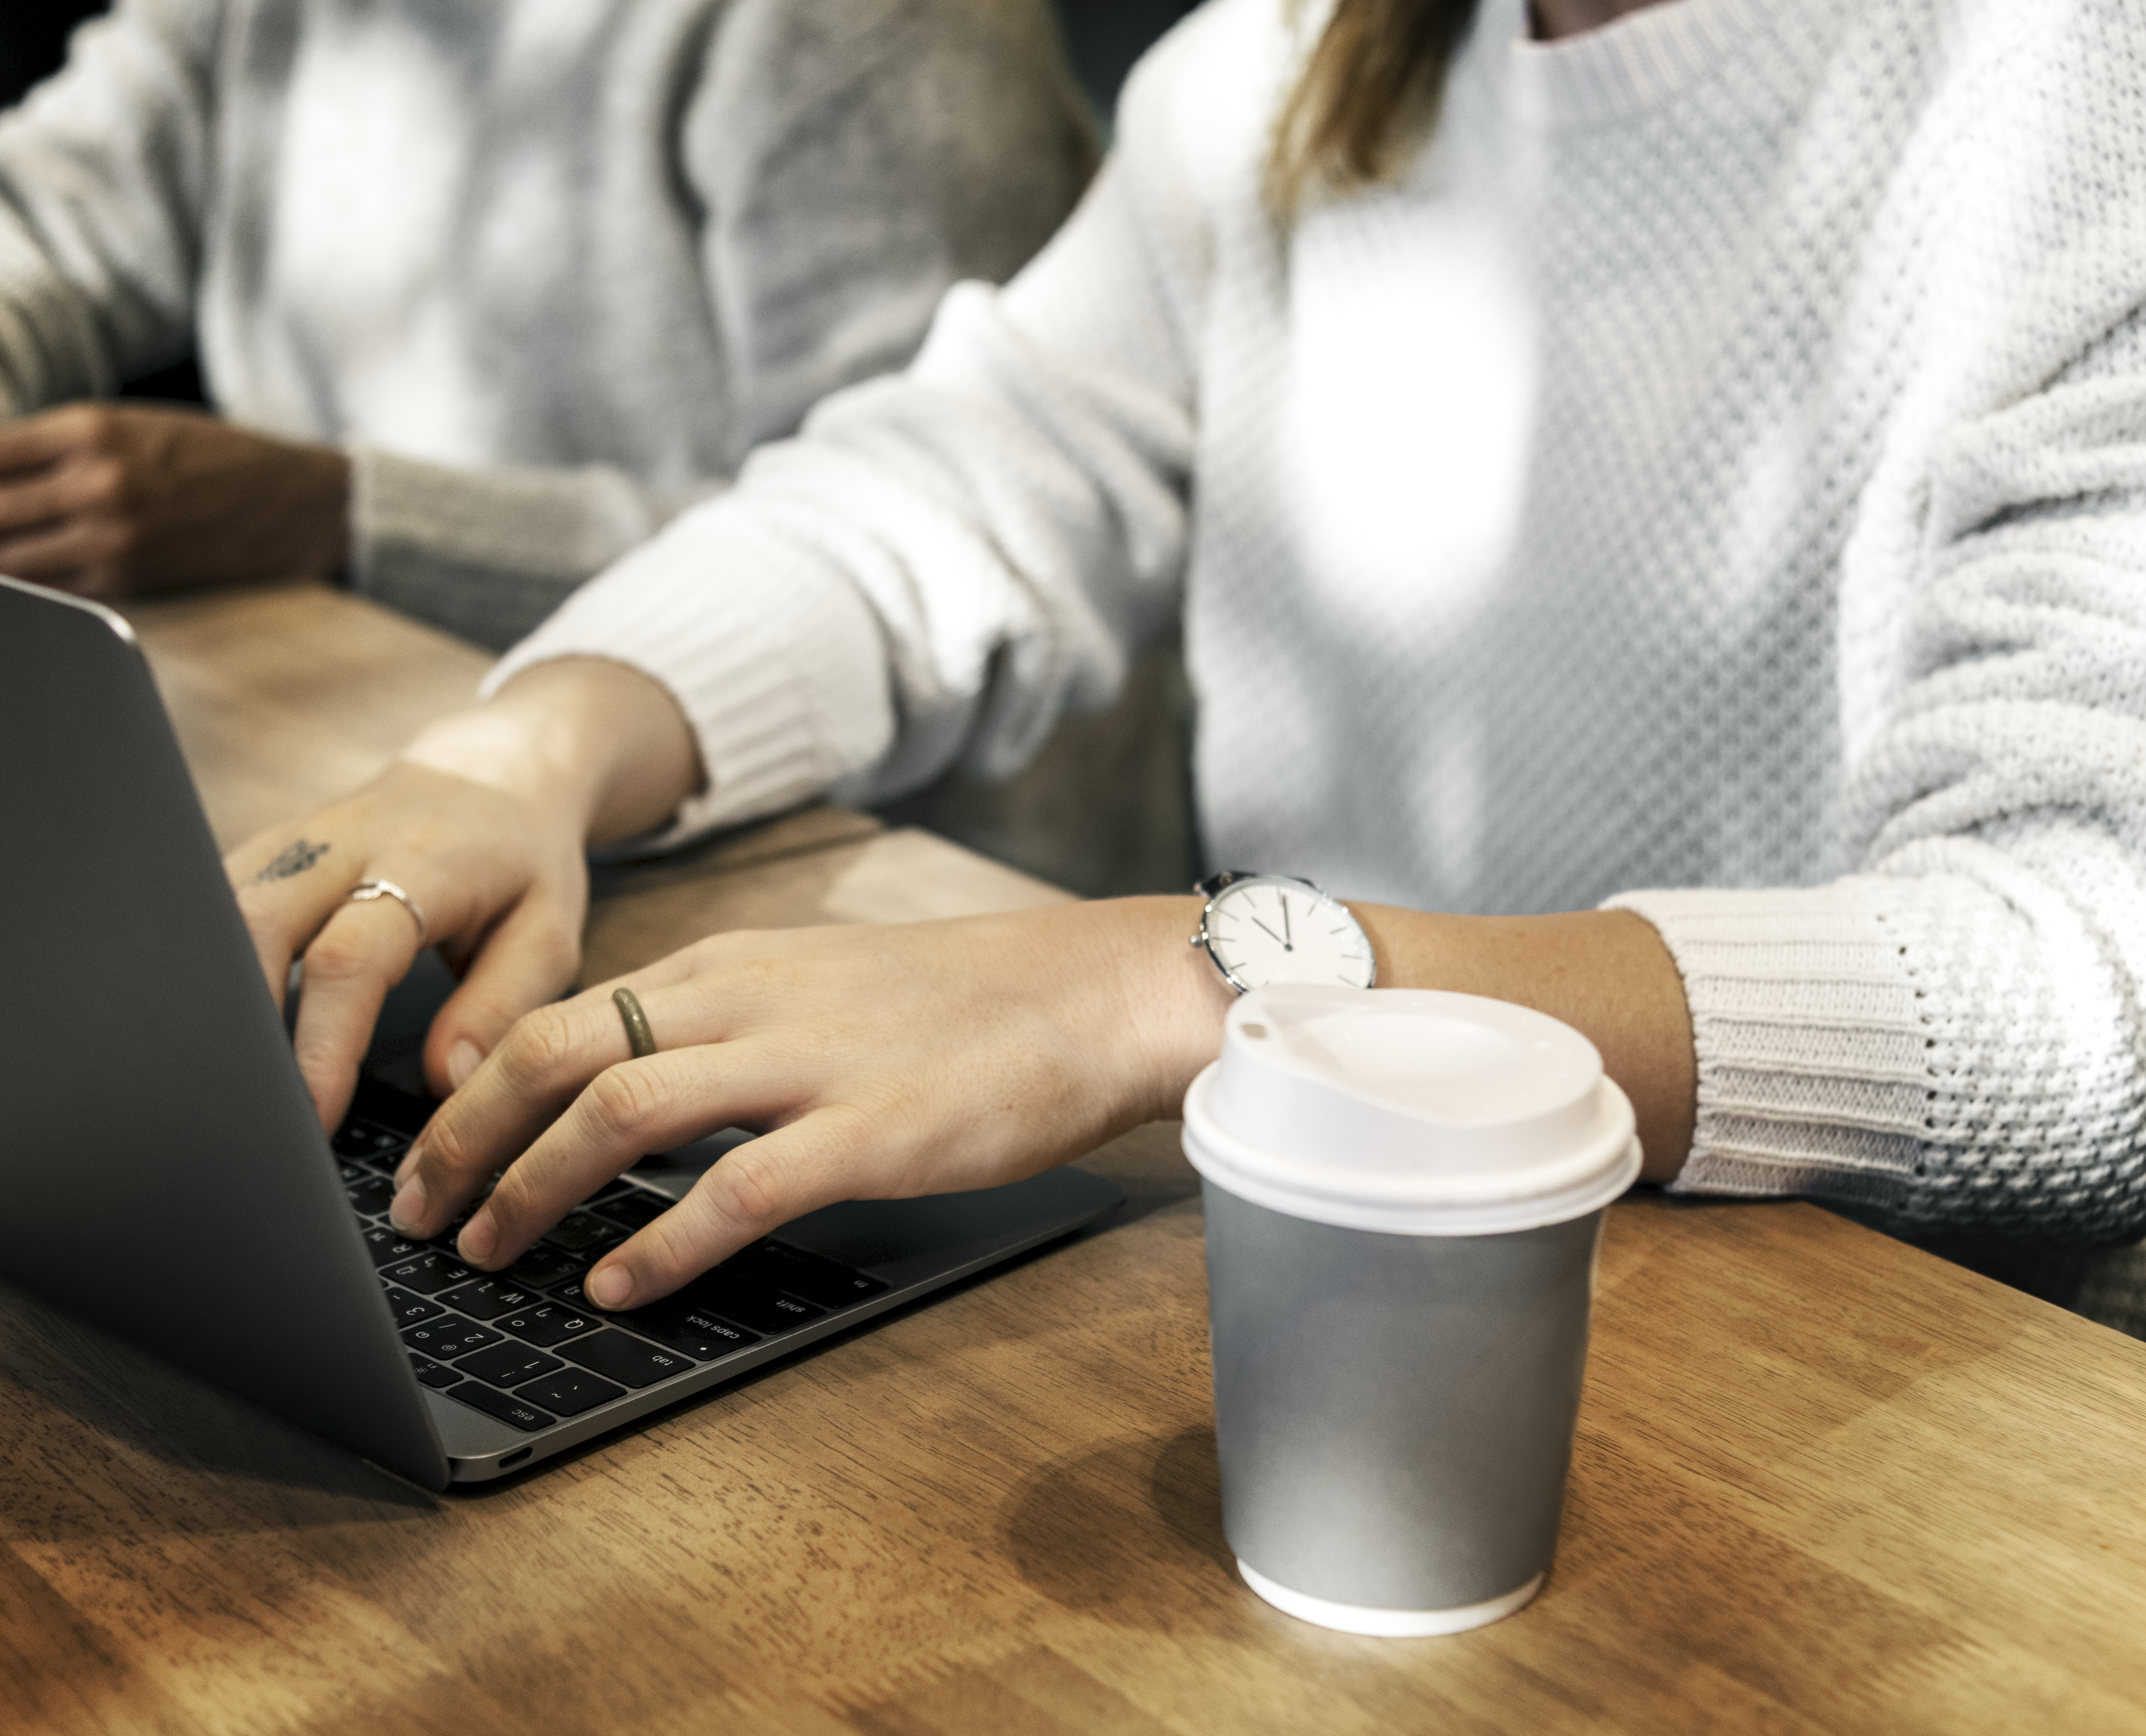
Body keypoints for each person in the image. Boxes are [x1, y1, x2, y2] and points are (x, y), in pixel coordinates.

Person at [230, 0, 2146, 1314]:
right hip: (1303, 1266)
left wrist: (1200, 981)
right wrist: (535, 752)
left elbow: (2085, 985)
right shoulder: (1289, 62)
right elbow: (953, 484)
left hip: (1826, 1363)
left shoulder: (2073, 89)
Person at [0, 0, 1097, 641]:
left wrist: (348, 519)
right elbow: (43, 211)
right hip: (395, 758)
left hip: (843, 878)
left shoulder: (872, 33)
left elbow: (915, 552)